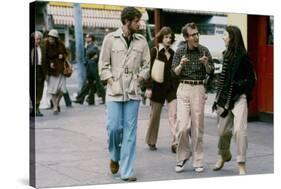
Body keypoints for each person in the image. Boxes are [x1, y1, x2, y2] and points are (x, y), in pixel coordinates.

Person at [99, 7, 150, 181]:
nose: (139, 23)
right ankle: (114, 156)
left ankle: (127, 171)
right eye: (136, 21)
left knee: (130, 133)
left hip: (133, 93)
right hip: (114, 92)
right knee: (114, 128)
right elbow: (103, 66)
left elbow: (146, 66)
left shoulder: (142, 41)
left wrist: (139, 80)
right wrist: (112, 83)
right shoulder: (110, 39)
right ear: (127, 21)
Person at [212, 25, 256, 175]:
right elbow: (223, 80)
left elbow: (251, 79)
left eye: (225, 35)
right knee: (223, 131)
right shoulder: (225, 54)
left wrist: (240, 88)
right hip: (224, 98)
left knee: (239, 130)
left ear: (232, 37)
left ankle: (241, 163)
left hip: (239, 97)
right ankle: (224, 155)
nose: (223, 37)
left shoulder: (243, 56)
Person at [172, 22, 214, 173]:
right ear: (186, 37)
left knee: (197, 126)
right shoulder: (180, 51)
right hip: (183, 87)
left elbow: (211, 72)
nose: (196, 37)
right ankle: (182, 156)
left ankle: (198, 160)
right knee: (182, 126)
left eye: (197, 34)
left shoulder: (204, 51)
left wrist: (206, 64)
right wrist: (181, 65)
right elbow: (174, 73)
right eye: (193, 35)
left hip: (198, 88)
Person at [143, 26, 179, 153]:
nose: (168, 40)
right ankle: (151, 141)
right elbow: (148, 70)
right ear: (161, 38)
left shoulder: (174, 54)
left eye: (170, 38)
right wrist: (148, 87)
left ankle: (176, 142)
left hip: (171, 89)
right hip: (157, 88)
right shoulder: (155, 51)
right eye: (166, 37)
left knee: (174, 115)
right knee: (154, 116)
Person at [73, 33, 105, 105]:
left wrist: (88, 59)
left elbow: (93, 56)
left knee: (97, 84)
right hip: (90, 68)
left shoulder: (93, 47)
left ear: (91, 39)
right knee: (89, 84)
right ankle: (88, 99)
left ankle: (104, 98)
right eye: (86, 37)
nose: (86, 39)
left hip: (93, 68)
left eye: (88, 37)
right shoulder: (88, 46)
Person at [43, 29, 68, 115]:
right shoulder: (45, 44)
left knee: (62, 90)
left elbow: (67, 53)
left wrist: (63, 56)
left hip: (61, 70)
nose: (51, 40)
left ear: (56, 38)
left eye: (53, 38)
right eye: (50, 38)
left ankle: (56, 103)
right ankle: (55, 106)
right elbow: (44, 58)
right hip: (52, 71)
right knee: (52, 89)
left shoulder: (60, 44)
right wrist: (49, 64)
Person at [30, 31, 46, 117]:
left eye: (39, 39)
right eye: (36, 39)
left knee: (39, 90)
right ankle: (33, 109)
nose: (38, 41)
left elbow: (46, 61)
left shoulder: (43, 48)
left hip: (40, 70)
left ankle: (37, 109)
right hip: (31, 70)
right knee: (32, 90)